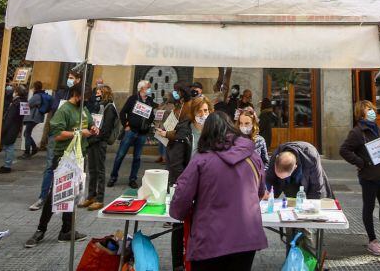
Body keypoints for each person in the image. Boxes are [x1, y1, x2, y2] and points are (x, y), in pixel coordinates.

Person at [169, 112, 267, 271]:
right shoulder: (253, 156)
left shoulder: (201, 159)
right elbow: (260, 192)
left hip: (210, 239)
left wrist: (177, 212)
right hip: (246, 237)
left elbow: (182, 197)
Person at [24, 84, 91, 248]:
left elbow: (87, 124)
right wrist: (79, 133)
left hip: (79, 157)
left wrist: (92, 128)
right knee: (56, 193)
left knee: (73, 193)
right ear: (76, 94)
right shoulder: (64, 110)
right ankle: (41, 230)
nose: (86, 100)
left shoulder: (83, 109)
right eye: (84, 97)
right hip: (64, 158)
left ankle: (66, 230)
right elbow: (58, 134)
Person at [160, 94, 211, 271]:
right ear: (193, 112)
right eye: (199, 111)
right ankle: (178, 264)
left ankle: (199, 261)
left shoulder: (212, 132)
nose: (203, 114)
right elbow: (176, 162)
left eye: (206, 110)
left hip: (206, 186)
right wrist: (185, 185)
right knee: (179, 225)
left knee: (202, 225)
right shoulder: (184, 131)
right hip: (184, 183)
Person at [340, 100, 380, 257]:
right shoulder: (357, 132)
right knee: (369, 207)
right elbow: (344, 150)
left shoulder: (377, 127)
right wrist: (360, 162)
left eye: (372, 108)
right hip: (368, 176)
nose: (372, 111)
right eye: (367, 109)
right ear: (360, 112)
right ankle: (372, 241)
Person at [108, 79, 155, 189]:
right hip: (131, 131)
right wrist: (126, 126)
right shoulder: (133, 99)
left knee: (137, 157)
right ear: (142, 88)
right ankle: (113, 177)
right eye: (148, 87)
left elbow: (151, 115)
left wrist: (149, 122)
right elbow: (123, 112)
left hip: (142, 134)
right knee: (120, 155)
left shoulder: (150, 100)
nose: (149, 89)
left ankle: (132, 179)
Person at [83, 85, 117, 210]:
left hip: (99, 142)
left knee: (100, 170)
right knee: (92, 169)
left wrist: (94, 138)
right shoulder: (98, 106)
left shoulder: (109, 108)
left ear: (105, 94)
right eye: (96, 92)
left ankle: (100, 199)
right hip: (92, 140)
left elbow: (106, 129)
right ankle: (91, 196)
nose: (97, 94)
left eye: (99, 92)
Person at [266, 140, 333, 200]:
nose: (280, 178)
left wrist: (312, 206)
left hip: (309, 181)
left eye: (283, 176)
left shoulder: (311, 156)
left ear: (295, 167)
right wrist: (268, 194)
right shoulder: (276, 156)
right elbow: (270, 179)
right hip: (291, 186)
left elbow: (316, 187)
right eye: (279, 176)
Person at [0, 85, 28, 174]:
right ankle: (7, 164)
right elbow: (23, 115)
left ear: (16, 93)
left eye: (14, 91)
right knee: (10, 146)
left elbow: (9, 118)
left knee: (9, 146)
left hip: (11, 127)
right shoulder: (24, 102)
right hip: (17, 126)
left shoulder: (15, 103)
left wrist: (3, 129)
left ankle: (7, 166)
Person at [23, 81, 51, 159]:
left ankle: (27, 152)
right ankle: (34, 148)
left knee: (27, 134)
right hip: (36, 117)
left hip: (32, 117)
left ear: (34, 87)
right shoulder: (40, 94)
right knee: (26, 133)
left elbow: (28, 104)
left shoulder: (36, 96)